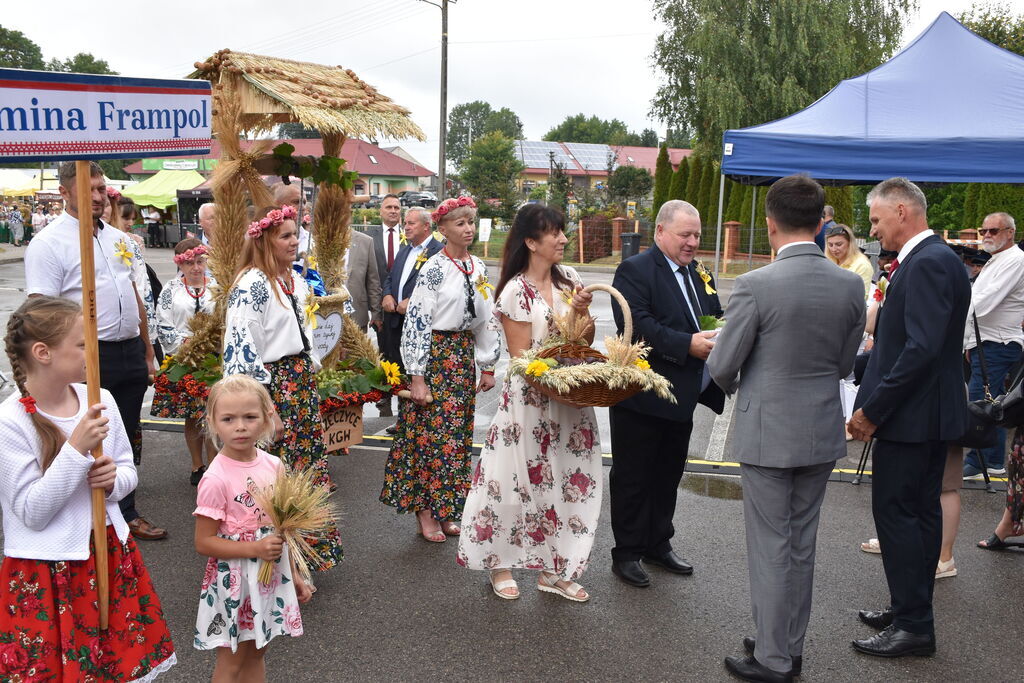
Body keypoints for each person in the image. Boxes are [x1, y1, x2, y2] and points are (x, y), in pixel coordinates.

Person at [708, 175, 865, 683]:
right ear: (821, 223)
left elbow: (721, 366)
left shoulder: (756, 284)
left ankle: (774, 660)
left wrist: (743, 381)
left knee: (771, 546)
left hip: (768, 430)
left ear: (770, 224)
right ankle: (785, 644)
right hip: (820, 426)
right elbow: (845, 362)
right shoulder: (850, 284)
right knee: (801, 544)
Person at [0, 296, 177, 680]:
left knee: (115, 663)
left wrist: (114, 481)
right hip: (48, 568)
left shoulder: (100, 400)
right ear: (43, 352)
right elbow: (32, 511)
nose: (91, 352)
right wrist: (75, 449)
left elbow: (128, 472)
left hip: (107, 551)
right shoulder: (10, 421)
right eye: (82, 344)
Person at [847, 177, 970, 659]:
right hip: (920, 415)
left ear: (902, 211)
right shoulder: (931, 260)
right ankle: (908, 607)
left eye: (876, 220)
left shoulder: (929, 263)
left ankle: (915, 625)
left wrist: (873, 411)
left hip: (914, 418)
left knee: (900, 515)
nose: (873, 230)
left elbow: (920, 350)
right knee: (916, 515)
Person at [457, 204, 599, 602]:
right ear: (531, 242)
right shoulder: (515, 291)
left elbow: (583, 341)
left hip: (570, 399)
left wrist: (582, 313)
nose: (563, 240)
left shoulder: (570, 278)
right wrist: (557, 368)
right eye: (554, 233)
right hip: (530, 404)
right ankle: (498, 561)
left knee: (567, 483)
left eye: (563, 231)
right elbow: (523, 357)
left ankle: (555, 569)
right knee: (510, 482)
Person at [25, 161, 167, 541]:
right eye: (89, 188)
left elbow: (133, 294)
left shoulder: (116, 238)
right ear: (65, 192)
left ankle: (126, 510)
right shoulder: (49, 243)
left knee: (126, 432)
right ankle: (83, 514)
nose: (99, 196)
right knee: (85, 431)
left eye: (102, 188)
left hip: (127, 351)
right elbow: (41, 312)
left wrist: (147, 349)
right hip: (85, 355)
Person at [608, 199, 725, 588]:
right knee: (633, 476)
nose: (692, 242)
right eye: (685, 235)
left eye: (696, 235)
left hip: (683, 394)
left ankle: (658, 542)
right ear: (660, 232)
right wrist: (686, 344)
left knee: (667, 473)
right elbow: (637, 324)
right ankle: (626, 552)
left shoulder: (698, 271)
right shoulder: (635, 270)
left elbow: (713, 310)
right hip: (642, 395)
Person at [222, 204, 343, 570]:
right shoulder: (253, 284)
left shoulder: (292, 280)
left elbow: (304, 336)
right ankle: (274, 561)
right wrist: (268, 411)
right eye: (285, 235)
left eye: (296, 234)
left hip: (299, 385)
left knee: (303, 471)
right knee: (273, 477)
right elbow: (241, 352)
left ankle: (302, 559)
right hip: (274, 391)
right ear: (264, 240)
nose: (294, 241)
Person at [379, 196, 499, 541]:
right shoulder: (433, 268)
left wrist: (487, 365)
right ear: (443, 229)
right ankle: (426, 511)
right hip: (434, 358)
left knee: (457, 437)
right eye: (460, 223)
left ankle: (447, 506)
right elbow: (417, 322)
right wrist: (417, 375)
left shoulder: (477, 266)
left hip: (460, 359)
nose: (468, 229)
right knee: (431, 439)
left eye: (471, 222)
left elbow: (487, 318)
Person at [193, 374, 312, 681]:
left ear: (266, 417)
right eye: (229, 419)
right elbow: (204, 542)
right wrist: (254, 548)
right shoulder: (216, 477)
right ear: (212, 422)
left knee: (259, 649)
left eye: (250, 417)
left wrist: (295, 574)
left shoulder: (274, 465)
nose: (241, 426)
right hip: (234, 581)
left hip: (270, 573)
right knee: (232, 660)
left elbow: (283, 529)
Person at [963, 212, 1024, 479]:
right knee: (992, 402)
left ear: (1010, 232)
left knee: (982, 404)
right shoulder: (997, 259)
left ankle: (981, 462)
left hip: (997, 342)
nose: (986, 235)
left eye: (993, 231)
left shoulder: (1015, 260)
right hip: (985, 342)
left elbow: (983, 304)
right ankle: (992, 460)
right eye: (983, 230)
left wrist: (947, 312)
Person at [153, 238, 217, 486]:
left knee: (213, 413)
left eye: (200, 262)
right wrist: (184, 344)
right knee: (192, 414)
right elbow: (164, 322)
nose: (196, 268)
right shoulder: (171, 289)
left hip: (213, 358)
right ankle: (196, 464)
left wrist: (212, 340)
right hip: (185, 358)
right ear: (180, 264)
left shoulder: (217, 287)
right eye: (189, 263)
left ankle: (213, 465)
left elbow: (225, 318)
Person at [379, 206, 443, 432]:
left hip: (420, 325)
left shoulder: (438, 252)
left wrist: (411, 300)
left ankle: (422, 420)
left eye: (411, 223)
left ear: (426, 226)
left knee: (418, 371)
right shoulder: (405, 249)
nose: (405, 227)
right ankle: (403, 419)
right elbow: (391, 277)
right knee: (399, 369)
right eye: (405, 223)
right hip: (396, 321)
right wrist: (387, 293)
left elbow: (435, 288)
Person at [825, 223, 874, 298]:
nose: (833, 249)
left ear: (850, 243)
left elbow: (861, 299)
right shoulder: (828, 261)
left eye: (839, 244)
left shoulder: (862, 265)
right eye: (830, 245)